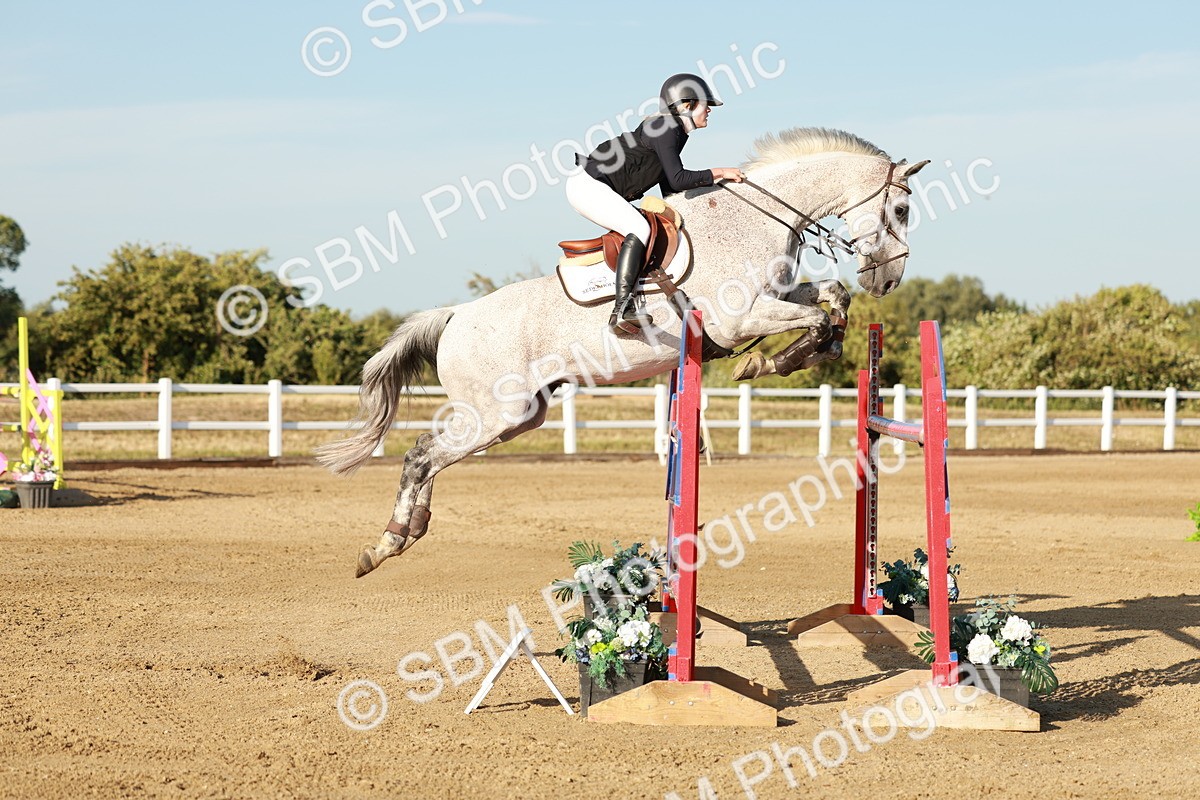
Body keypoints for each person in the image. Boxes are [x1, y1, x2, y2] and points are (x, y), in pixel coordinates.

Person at [566, 73, 745, 334]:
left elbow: (670, 187)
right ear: (687, 105)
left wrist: (716, 193)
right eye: (705, 104)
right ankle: (623, 309)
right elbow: (678, 178)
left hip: (594, 186)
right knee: (639, 228)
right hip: (588, 185)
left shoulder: (675, 131)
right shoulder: (666, 128)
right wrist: (719, 172)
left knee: (646, 226)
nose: (709, 110)